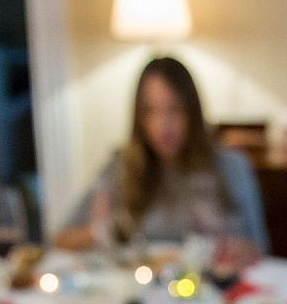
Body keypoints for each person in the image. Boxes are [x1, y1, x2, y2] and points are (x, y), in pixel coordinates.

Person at [54, 57, 267, 268]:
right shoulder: (121, 166)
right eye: (150, 111)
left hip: (212, 292)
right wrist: (99, 231)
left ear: (192, 111)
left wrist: (241, 251)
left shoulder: (230, 166)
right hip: (141, 291)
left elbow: (260, 250)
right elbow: (60, 240)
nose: (162, 125)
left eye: (174, 109)